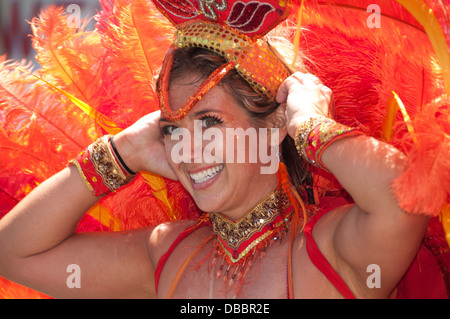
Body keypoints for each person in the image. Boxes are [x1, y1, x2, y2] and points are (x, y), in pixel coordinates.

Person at [0, 0, 446, 299]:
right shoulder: (167, 253)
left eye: (209, 122)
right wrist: (125, 151)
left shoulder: (334, 248)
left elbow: (406, 200)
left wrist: (309, 126)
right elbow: (14, 251)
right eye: (172, 130)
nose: (188, 151)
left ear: (273, 125)